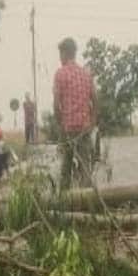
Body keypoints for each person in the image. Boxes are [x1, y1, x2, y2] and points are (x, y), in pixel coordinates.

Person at [52, 38, 98, 188]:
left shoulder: (60, 74)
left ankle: (65, 197)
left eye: (60, 54)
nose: (60, 58)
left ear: (65, 53)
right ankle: (87, 197)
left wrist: (60, 125)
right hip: (84, 129)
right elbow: (95, 101)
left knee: (66, 168)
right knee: (85, 167)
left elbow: (56, 105)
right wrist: (92, 123)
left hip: (68, 129)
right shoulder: (86, 74)